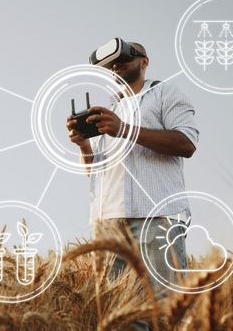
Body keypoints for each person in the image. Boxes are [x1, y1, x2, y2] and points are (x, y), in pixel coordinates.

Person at [66, 41, 199, 304]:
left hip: (156, 217)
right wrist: (84, 145)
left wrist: (124, 129)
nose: (117, 64)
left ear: (144, 61)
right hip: (109, 222)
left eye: (126, 56)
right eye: (110, 63)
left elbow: (187, 143)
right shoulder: (110, 111)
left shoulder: (165, 93)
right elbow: (96, 172)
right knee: (118, 311)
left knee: (167, 306)